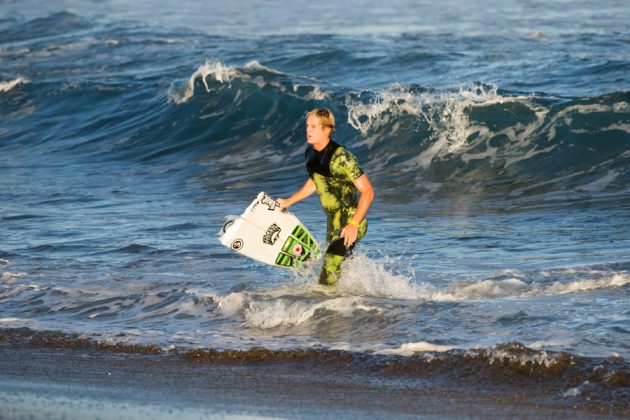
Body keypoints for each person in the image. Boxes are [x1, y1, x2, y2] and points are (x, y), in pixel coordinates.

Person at [277, 108, 375, 286]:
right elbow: (316, 182)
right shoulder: (311, 154)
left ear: (327, 129)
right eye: (307, 126)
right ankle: (353, 303)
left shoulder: (342, 158)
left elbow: (368, 191)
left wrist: (353, 225)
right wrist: (289, 201)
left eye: (314, 126)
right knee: (339, 266)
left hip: (352, 221)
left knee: (330, 263)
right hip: (333, 223)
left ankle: (324, 306)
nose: (308, 130)